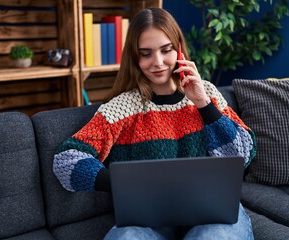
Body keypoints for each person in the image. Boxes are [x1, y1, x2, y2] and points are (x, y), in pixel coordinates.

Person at [53, 7, 256, 240]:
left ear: (178, 48)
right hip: (149, 221)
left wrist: (204, 105)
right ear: (134, 57)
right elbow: (66, 160)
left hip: (213, 216)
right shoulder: (120, 109)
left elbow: (243, 154)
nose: (158, 62)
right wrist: (119, 183)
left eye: (166, 50)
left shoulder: (207, 93)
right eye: (146, 53)